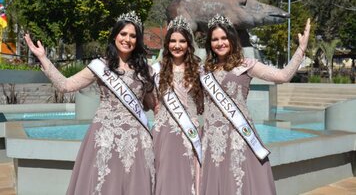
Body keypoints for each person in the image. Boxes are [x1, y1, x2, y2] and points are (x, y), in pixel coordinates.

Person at [24, 11, 156, 195]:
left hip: (137, 141)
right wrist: (43, 58)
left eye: (133, 35)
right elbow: (66, 85)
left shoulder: (145, 70)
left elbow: (151, 104)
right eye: (123, 34)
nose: (127, 39)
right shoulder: (101, 65)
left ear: (138, 40)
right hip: (106, 137)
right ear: (115, 36)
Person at [200, 14, 311, 195]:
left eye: (224, 38)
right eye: (215, 39)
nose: (220, 43)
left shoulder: (246, 65)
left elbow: (283, 76)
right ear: (209, 43)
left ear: (232, 39)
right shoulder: (204, 70)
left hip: (239, 137)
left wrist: (301, 49)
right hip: (212, 141)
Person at [152, 15, 204, 195]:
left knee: (188, 177)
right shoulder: (156, 70)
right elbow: (147, 99)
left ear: (189, 45)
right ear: (167, 44)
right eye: (172, 41)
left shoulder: (200, 70)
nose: (177, 45)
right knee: (165, 177)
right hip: (164, 133)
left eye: (182, 41)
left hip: (190, 133)